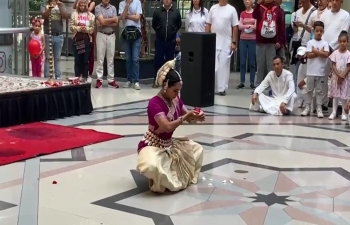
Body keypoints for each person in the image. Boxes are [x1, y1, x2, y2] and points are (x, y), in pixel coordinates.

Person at [136, 59, 205, 193]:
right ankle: (158, 179)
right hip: (153, 145)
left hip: (169, 144)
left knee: (198, 149)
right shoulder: (154, 103)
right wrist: (185, 117)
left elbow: (188, 118)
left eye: (179, 91)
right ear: (165, 86)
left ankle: (168, 177)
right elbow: (167, 127)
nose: (177, 94)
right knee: (151, 166)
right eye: (175, 90)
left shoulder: (176, 99)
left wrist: (196, 117)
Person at [320, 0, 350, 108]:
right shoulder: (324, 14)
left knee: (339, 78)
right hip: (323, 51)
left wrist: (330, 47)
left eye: (337, 0)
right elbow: (321, 31)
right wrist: (322, 46)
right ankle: (323, 102)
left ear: (341, 1)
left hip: (337, 51)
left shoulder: (345, 15)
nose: (334, 2)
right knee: (322, 77)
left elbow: (343, 33)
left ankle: (341, 106)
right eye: (332, 0)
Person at [205, 0, 239, 96]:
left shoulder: (232, 9)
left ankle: (221, 88)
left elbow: (235, 27)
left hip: (226, 42)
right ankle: (212, 87)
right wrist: (205, 40)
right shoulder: (213, 8)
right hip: (214, 41)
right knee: (213, 66)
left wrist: (234, 42)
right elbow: (208, 24)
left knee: (223, 66)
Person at [253, 0, 285, 87]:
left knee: (271, 66)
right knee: (260, 66)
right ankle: (258, 87)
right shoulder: (260, 7)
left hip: (272, 42)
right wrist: (257, 4)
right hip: (260, 42)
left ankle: (272, 87)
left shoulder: (277, 9)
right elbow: (254, 15)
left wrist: (280, 41)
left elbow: (281, 26)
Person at [301, 21, 329, 118]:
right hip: (310, 72)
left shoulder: (325, 43)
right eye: (317, 31)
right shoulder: (310, 42)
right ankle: (307, 107)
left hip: (320, 72)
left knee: (319, 91)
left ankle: (319, 108)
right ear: (314, 31)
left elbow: (326, 55)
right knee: (309, 90)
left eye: (321, 31)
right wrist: (319, 52)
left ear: (323, 31)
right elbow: (308, 55)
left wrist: (315, 51)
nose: (319, 33)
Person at [152, 0, 182, 88]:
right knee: (158, 61)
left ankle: (169, 81)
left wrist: (172, 33)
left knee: (170, 62)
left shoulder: (176, 12)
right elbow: (154, 24)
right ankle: (156, 80)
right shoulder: (157, 11)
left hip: (171, 41)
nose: (167, 0)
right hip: (160, 41)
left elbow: (178, 24)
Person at [95, 0, 119, 88]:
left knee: (110, 59)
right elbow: (102, 22)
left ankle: (111, 80)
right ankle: (99, 79)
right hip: (101, 35)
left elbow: (116, 23)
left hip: (111, 35)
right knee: (100, 58)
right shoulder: (98, 8)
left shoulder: (113, 8)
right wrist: (112, 20)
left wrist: (104, 22)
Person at [40, 0, 67, 79]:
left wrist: (60, 7)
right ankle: (47, 77)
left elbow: (65, 16)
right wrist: (49, 8)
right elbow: (43, 16)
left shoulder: (61, 4)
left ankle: (58, 77)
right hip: (48, 35)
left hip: (59, 35)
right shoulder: (44, 4)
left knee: (57, 58)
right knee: (48, 58)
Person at [119, 0, 143, 90]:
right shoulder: (122, 3)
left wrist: (127, 16)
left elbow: (137, 17)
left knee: (135, 58)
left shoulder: (137, 2)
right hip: (126, 33)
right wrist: (127, 5)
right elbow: (122, 17)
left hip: (136, 33)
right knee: (128, 58)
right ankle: (129, 80)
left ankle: (136, 81)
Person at [70, 0, 95, 82]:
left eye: (84, 4)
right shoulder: (74, 14)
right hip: (76, 38)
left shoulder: (91, 15)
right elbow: (71, 27)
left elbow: (92, 29)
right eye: (80, 5)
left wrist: (85, 29)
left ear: (87, 5)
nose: (82, 6)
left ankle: (85, 77)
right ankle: (77, 77)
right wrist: (78, 28)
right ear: (78, 5)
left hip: (86, 39)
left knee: (85, 60)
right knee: (77, 60)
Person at [328, 31, 350, 120]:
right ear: (338, 42)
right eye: (340, 41)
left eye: (344, 41)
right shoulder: (335, 53)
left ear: (347, 42)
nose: (342, 43)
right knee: (336, 95)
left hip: (345, 78)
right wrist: (338, 75)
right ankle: (333, 112)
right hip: (336, 77)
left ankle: (344, 113)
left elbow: (349, 66)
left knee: (344, 95)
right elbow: (333, 65)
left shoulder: (348, 54)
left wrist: (343, 75)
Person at [236, 0, 256, 90]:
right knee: (242, 62)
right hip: (243, 40)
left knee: (252, 62)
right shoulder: (242, 13)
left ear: (252, 2)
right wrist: (249, 26)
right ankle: (242, 82)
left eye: (249, 0)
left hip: (253, 40)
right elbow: (239, 26)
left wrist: (246, 26)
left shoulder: (255, 13)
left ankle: (252, 82)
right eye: (246, 0)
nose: (247, 2)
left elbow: (256, 26)